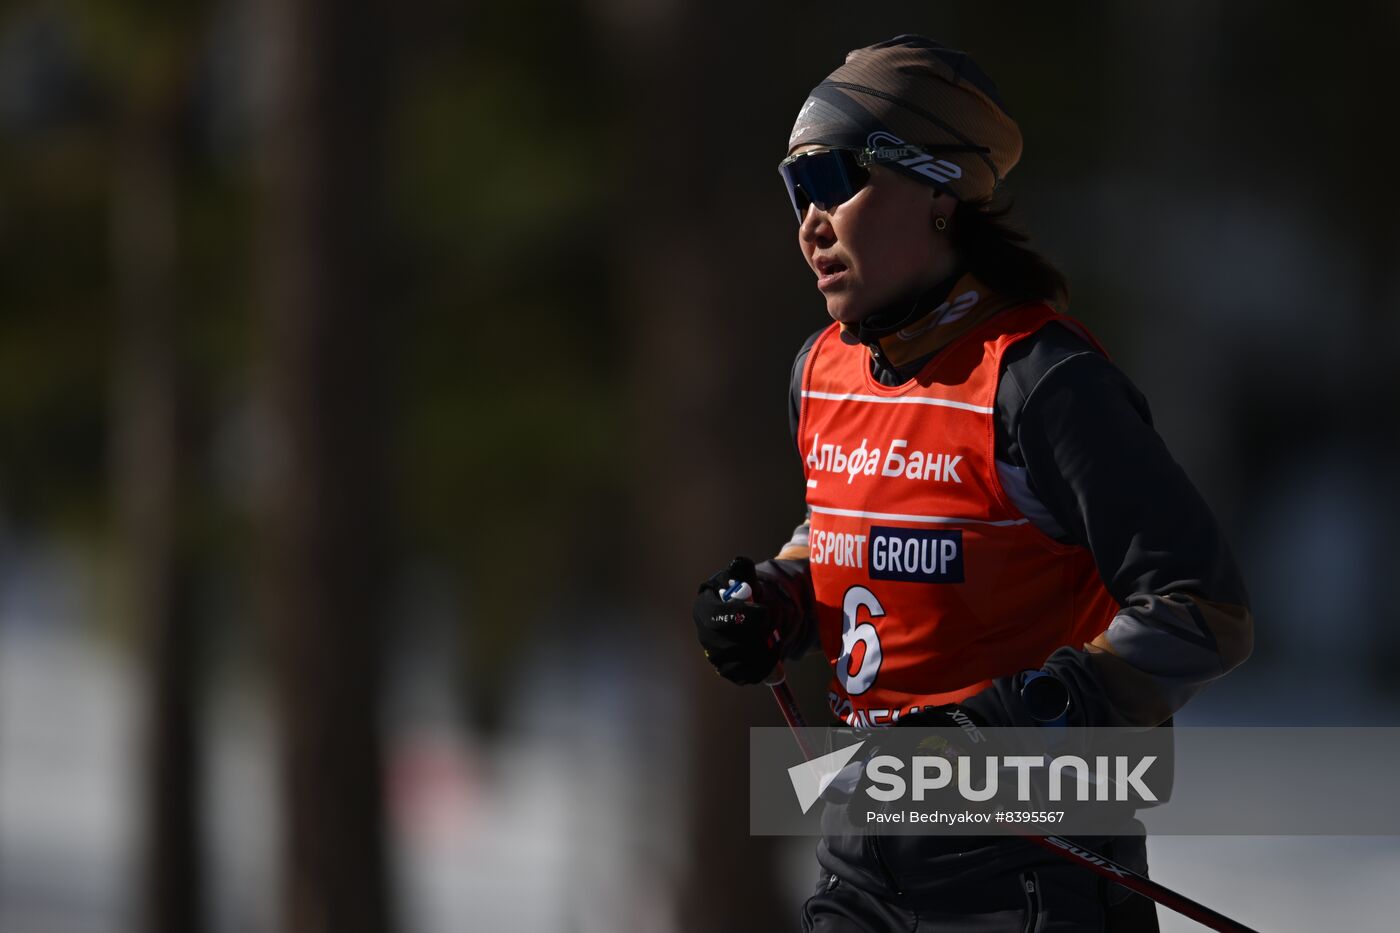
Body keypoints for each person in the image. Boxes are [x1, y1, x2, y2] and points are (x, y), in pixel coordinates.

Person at [690, 35, 1254, 932]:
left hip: (1030, 876)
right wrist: (777, 595)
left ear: (937, 191)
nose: (810, 221)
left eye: (834, 180)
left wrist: (1016, 722)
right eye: (796, 189)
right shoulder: (822, 369)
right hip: (864, 863)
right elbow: (843, 525)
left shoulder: (1042, 381)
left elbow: (1202, 609)